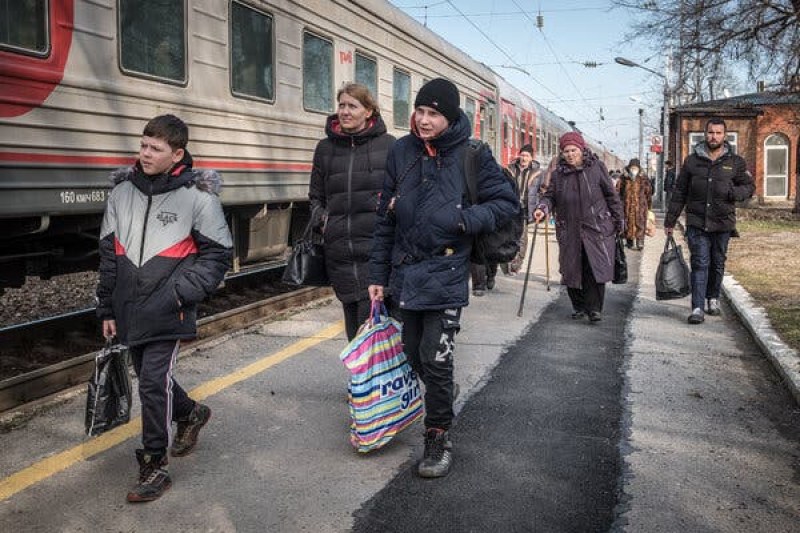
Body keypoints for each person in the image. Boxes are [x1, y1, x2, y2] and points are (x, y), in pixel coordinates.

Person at [368, 78, 518, 478]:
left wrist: (464, 219)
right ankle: (441, 398)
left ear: (449, 118)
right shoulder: (402, 152)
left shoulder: (473, 154)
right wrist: (377, 274)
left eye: (433, 113)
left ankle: (437, 437)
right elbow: (385, 217)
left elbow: (506, 203)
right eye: (419, 111)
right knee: (412, 351)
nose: (423, 119)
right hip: (406, 272)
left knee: (435, 358)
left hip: (448, 271)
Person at [96, 114, 233, 503]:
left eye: (155, 148)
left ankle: (154, 464)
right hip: (128, 308)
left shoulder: (198, 196)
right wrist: (106, 308)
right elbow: (108, 255)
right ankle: (190, 413)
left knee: (153, 382)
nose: (145, 154)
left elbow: (218, 254)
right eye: (142, 146)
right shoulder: (121, 193)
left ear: (177, 154)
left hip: (169, 307)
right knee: (150, 378)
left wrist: (182, 292)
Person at [308, 83, 395, 340]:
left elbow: (401, 194)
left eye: (352, 106)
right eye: (341, 105)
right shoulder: (325, 149)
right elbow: (316, 196)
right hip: (341, 254)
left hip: (375, 253)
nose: (345, 111)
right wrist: (324, 221)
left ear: (368, 111)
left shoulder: (389, 146)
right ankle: (364, 379)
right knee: (354, 329)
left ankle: (368, 379)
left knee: (372, 328)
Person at [664, 118, 754, 325]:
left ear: (725, 135)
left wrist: (734, 193)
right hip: (697, 222)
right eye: (710, 132)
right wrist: (670, 220)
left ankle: (712, 298)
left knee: (717, 263)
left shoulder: (735, 162)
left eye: (718, 133)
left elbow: (749, 187)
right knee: (700, 263)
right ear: (705, 134)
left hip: (723, 223)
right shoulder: (692, 161)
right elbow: (680, 192)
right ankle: (697, 307)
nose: (714, 136)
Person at [532, 131, 623, 322]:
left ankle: (594, 309)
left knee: (594, 267)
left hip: (596, 227)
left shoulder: (597, 168)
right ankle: (578, 306)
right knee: (572, 268)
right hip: (569, 228)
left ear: (581, 150)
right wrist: (542, 208)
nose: (570, 154)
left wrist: (618, 220)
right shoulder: (558, 175)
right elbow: (549, 197)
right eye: (566, 151)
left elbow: (611, 196)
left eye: (573, 150)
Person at [506, 144, 543, 274]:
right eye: (522, 155)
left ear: (531, 158)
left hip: (525, 209)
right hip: (510, 207)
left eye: (526, 156)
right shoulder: (510, 169)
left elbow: (542, 190)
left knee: (522, 236)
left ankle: (517, 263)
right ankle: (508, 259)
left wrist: (542, 206)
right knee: (508, 234)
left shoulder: (538, 173)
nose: (523, 158)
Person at [618, 158, 653, 250]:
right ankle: (629, 241)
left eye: (635, 168)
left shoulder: (643, 178)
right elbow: (618, 191)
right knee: (628, 223)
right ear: (629, 167)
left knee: (640, 223)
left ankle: (640, 242)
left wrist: (648, 205)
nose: (633, 170)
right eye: (632, 168)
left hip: (640, 205)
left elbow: (648, 192)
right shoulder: (624, 178)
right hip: (627, 205)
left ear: (639, 168)